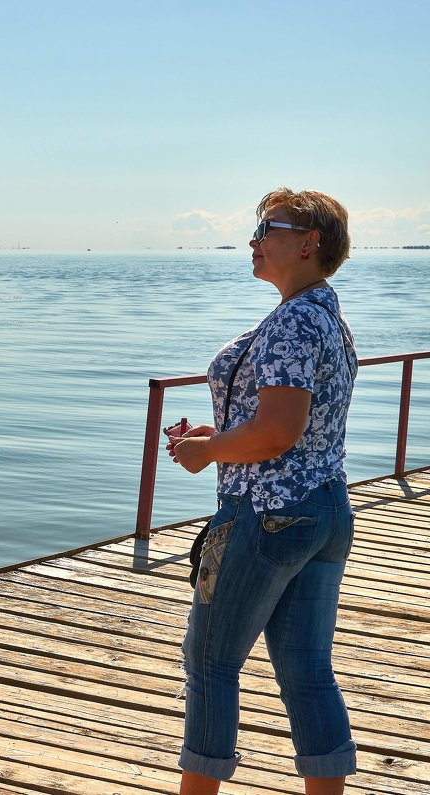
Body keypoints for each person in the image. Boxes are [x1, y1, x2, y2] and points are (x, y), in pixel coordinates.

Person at [167, 188, 358, 795]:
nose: (252, 239)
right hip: (323, 509)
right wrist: (222, 438)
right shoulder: (325, 315)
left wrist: (206, 451)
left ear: (309, 244)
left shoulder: (293, 322)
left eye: (265, 228)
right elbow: (283, 425)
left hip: (265, 515)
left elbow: (277, 432)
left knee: (209, 663)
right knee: (306, 671)